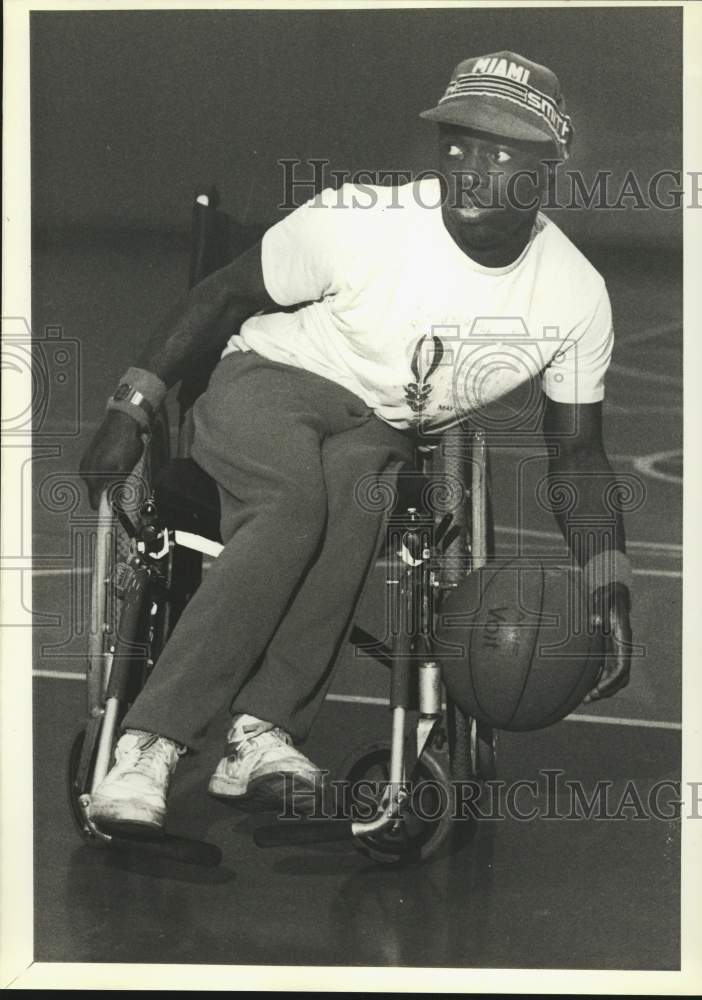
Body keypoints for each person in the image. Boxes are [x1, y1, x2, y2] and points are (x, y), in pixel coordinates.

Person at [79, 51, 633, 835]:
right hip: (268, 381)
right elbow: (223, 293)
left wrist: (610, 584)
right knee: (293, 502)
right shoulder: (359, 221)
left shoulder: (574, 294)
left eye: (501, 151)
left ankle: (260, 733)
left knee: (354, 500)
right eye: (455, 144)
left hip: (378, 427)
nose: (470, 168)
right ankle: (148, 744)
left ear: (550, 166)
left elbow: (577, 454)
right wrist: (129, 409)